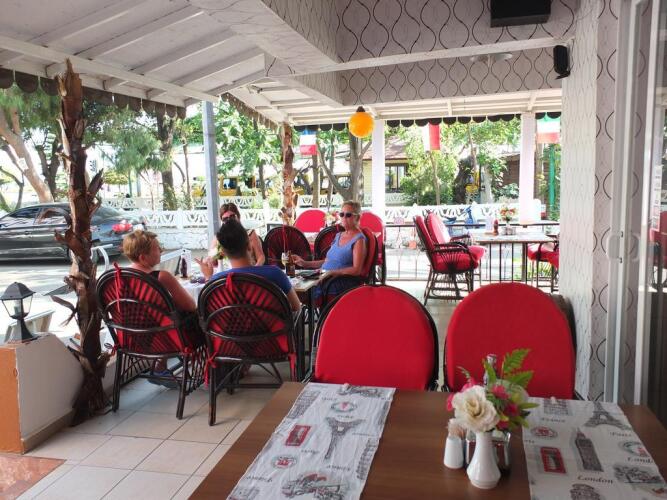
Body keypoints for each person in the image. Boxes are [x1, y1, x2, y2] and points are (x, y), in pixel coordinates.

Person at [122, 230, 202, 385]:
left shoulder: (118, 277)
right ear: (143, 258)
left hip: (130, 338)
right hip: (165, 340)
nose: (161, 250)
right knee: (199, 317)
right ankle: (211, 368)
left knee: (159, 317)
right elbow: (190, 305)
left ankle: (160, 368)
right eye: (157, 248)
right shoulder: (161, 277)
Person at [197, 219, 301, 312]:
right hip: (270, 327)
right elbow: (296, 307)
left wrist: (208, 277)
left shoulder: (216, 281)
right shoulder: (274, 273)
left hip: (233, 328)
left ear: (223, 252)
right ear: (249, 246)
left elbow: (207, 311)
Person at [292, 200, 367, 281]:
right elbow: (327, 261)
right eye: (342, 214)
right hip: (323, 277)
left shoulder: (359, 240)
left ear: (357, 217)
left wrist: (332, 273)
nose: (344, 218)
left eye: (348, 215)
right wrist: (304, 263)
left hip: (339, 281)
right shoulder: (339, 235)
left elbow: (356, 270)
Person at [207, 202, 265, 267]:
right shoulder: (220, 238)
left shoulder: (250, 234)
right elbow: (212, 260)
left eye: (232, 217)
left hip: (250, 270)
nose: (229, 220)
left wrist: (254, 269)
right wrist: (212, 258)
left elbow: (261, 257)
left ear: (238, 216)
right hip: (229, 272)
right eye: (225, 219)